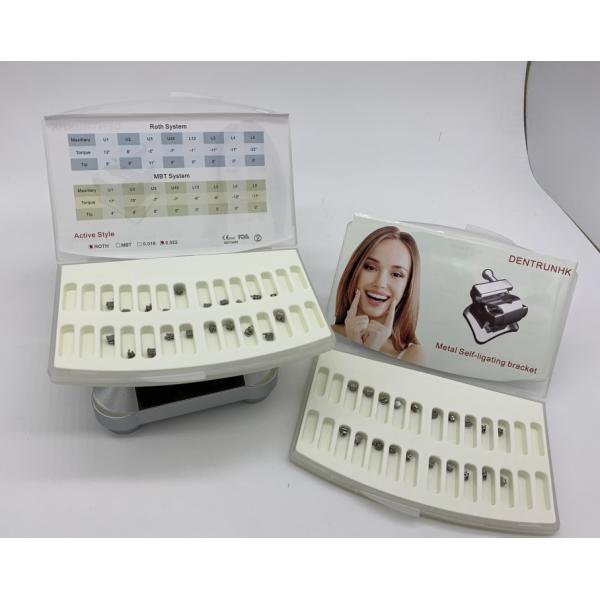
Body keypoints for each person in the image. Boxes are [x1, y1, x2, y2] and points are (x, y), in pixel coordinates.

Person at [332, 225, 424, 363]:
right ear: (354, 272)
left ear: (407, 287)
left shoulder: (412, 354)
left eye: (396, 274)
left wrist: (369, 351)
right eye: (370, 267)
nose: (380, 283)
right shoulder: (325, 334)